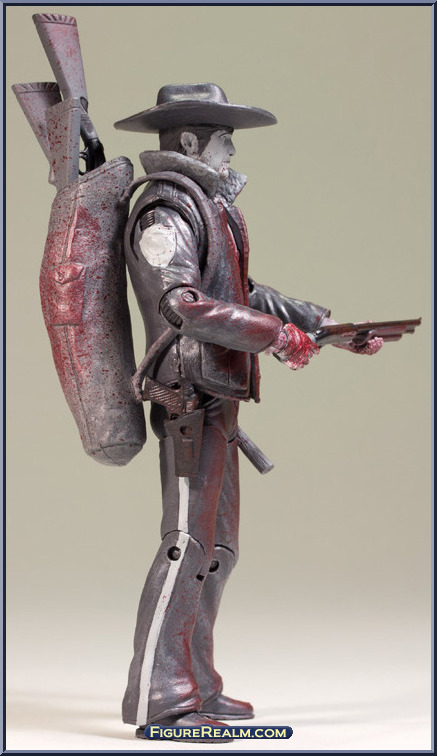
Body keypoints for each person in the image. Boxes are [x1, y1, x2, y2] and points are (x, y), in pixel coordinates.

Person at [113, 82, 382, 742]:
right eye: (224, 140)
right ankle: (158, 696)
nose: (232, 152)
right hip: (186, 397)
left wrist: (320, 325)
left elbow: (240, 291)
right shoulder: (163, 211)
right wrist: (275, 337)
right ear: (189, 142)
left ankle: (195, 683)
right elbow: (181, 304)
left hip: (215, 396)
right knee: (186, 545)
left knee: (218, 550)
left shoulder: (205, 207)